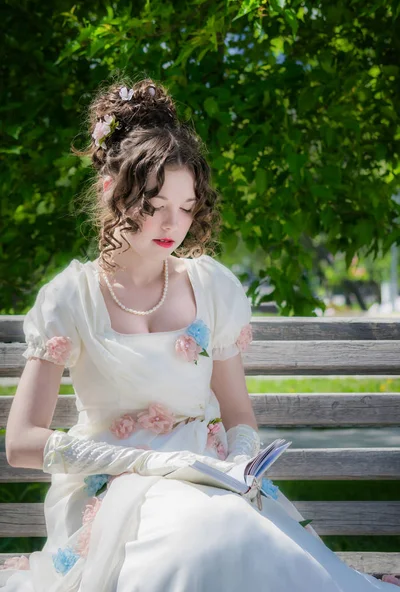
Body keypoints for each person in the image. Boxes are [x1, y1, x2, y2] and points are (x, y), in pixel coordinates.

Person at [1, 78, 398, 591]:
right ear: (111, 191)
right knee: (202, 536)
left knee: (230, 531)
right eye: (155, 205)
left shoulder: (209, 284)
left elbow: (238, 416)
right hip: (118, 483)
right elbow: (22, 443)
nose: (174, 223)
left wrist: (239, 461)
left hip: (211, 477)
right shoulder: (71, 296)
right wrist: (154, 462)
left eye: (187, 207)